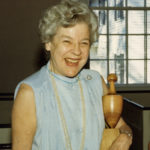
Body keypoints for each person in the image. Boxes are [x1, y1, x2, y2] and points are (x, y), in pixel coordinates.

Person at [12, 0, 132, 150]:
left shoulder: (95, 82)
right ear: (48, 43)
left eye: (84, 43)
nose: (76, 51)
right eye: (67, 42)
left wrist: (125, 136)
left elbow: (123, 126)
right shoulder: (30, 92)